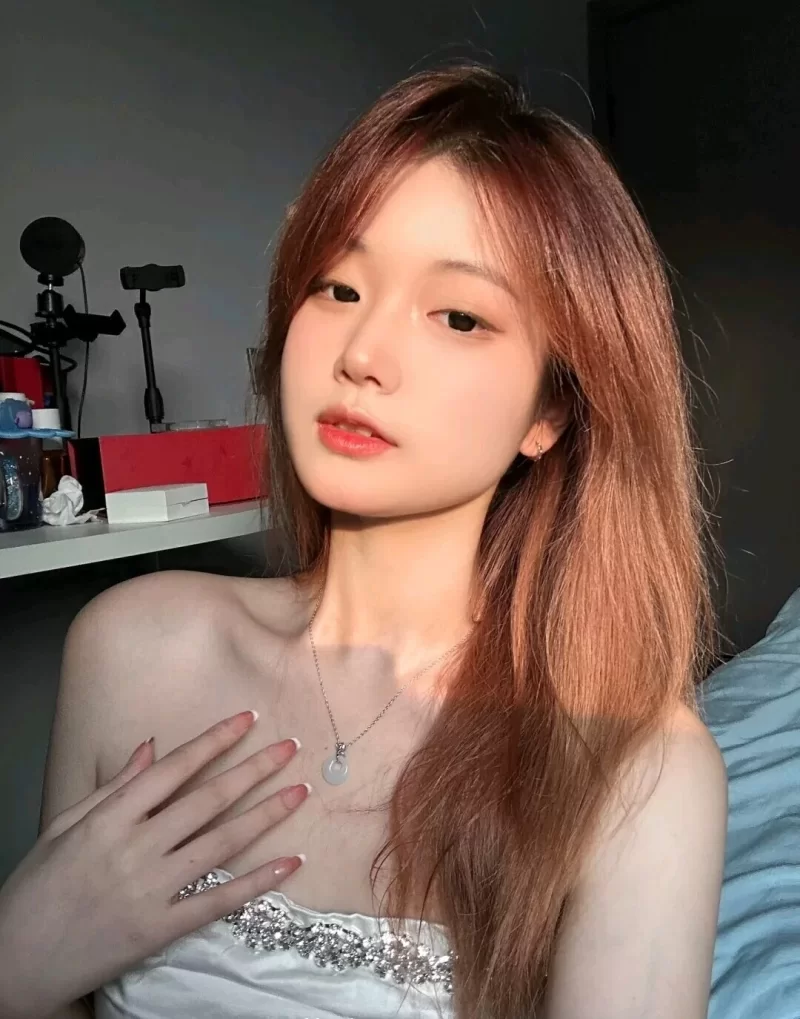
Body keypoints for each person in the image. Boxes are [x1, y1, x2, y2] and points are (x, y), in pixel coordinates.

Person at [1, 63, 727, 1019]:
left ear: (551, 409)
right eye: (337, 287)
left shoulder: (635, 765)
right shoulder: (132, 644)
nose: (362, 355)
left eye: (459, 316)